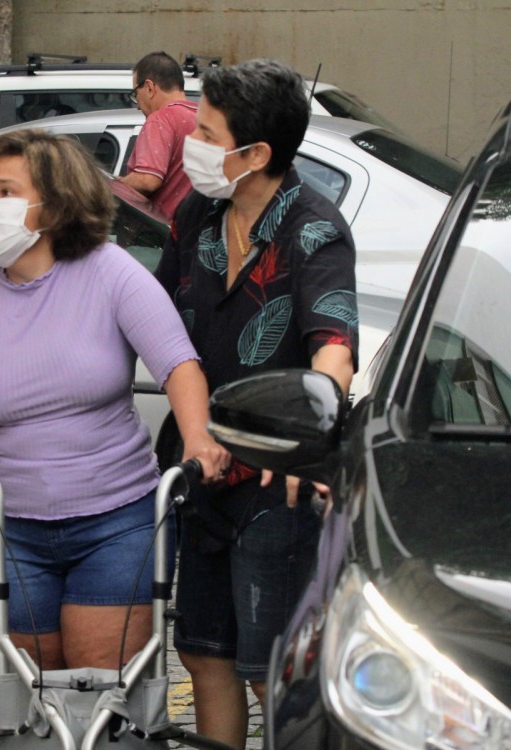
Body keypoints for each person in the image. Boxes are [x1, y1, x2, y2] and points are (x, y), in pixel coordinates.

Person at [0, 128, 230, 671]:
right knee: (35, 706)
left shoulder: (111, 273)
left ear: (56, 205)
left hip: (118, 522)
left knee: (97, 699)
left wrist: (198, 436)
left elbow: (179, 364)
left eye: (6, 192)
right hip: (6, 526)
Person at [155, 59, 358, 750]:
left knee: (273, 669)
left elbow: (333, 345)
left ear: (257, 153)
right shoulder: (196, 215)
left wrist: (311, 429)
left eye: (207, 132)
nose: (194, 144)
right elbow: (153, 318)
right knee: (204, 654)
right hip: (199, 466)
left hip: (277, 480)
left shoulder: (314, 230)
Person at [119, 51, 199, 220]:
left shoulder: (161, 119)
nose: (137, 106)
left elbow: (147, 180)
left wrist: (109, 187)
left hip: (163, 237)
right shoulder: (204, 118)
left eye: (135, 93)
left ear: (149, 87)